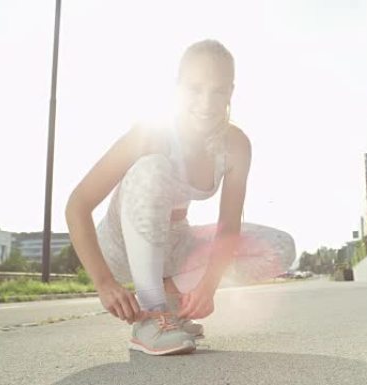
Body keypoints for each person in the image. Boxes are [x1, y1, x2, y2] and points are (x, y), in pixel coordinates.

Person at [65, 39, 295, 356]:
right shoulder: (150, 133)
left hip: (176, 243)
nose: (206, 102)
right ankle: (151, 315)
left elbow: (229, 228)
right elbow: (77, 205)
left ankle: (168, 307)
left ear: (231, 91)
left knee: (280, 248)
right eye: (195, 88)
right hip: (121, 247)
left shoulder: (237, 145)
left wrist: (207, 286)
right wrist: (104, 283)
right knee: (153, 167)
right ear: (178, 87)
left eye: (218, 91)